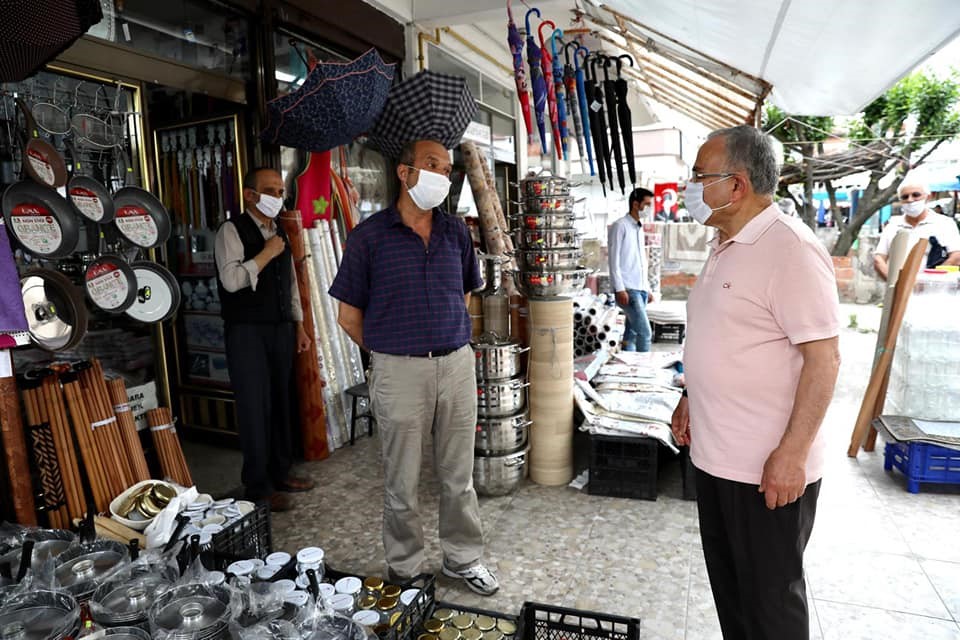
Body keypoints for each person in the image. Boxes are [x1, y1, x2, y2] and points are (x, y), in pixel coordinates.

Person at [670, 125, 841, 639]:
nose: (692, 186)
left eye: (700, 176)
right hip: (717, 459)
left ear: (737, 185)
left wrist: (792, 453)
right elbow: (721, 333)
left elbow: (824, 360)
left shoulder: (791, 249)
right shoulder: (725, 242)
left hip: (767, 470)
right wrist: (690, 395)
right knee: (734, 596)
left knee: (770, 606)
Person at [328, 139, 499, 596]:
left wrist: (442, 336)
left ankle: (463, 559)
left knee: (458, 476)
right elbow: (348, 316)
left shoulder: (456, 232)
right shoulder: (368, 237)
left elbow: (464, 294)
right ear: (404, 173)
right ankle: (404, 568)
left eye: (446, 168)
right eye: (431, 165)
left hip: (456, 365)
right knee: (401, 479)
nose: (442, 175)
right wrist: (390, 352)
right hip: (399, 371)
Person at [215, 167, 315, 512]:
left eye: (281, 191)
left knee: (281, 400)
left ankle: (281, 472)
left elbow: (289, 283)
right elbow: (230, 281)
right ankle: (258, 486)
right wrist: (266, 254)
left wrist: (299, 326)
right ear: (250, 195)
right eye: (270, 190)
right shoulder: (231, 230)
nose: (278, 197)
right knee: (254, 406)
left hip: (280, 327)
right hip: (246, 330)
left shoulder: (279, 232)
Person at [874, 182, 960, 278]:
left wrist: (931, 280)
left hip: (933, 285)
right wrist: (895, 282)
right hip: (897, 285)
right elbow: (879, 259)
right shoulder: (893, 225)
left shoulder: (945, 224)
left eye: (916, 195)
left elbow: (956, 256)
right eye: (905, 197)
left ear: (928, 197)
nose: (910, 200)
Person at [608, 188, 656, 352]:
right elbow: (613, 260)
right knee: (645, 333)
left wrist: (647, 289)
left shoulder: (639, 228)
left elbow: (640, 262)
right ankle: (644, 365)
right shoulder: (620, 226)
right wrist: (619, 289)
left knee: (632, 334)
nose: (650, 208)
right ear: (636, 204)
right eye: (647, 204)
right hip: (628, 289)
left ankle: (628, 364)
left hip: (640, 289)